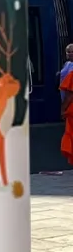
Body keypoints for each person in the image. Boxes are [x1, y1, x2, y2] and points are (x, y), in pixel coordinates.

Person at [58, 44, 73, 175]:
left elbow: (69, 94)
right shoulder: (67, 66)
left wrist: (63, 109)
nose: (69, 54)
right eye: (67, 52)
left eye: (71, 52)